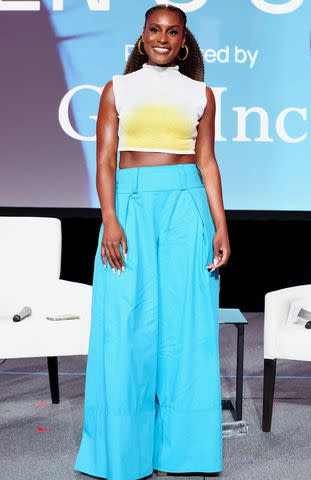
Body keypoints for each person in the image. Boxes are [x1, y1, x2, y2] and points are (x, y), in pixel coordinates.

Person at [74, 4, 231, 480]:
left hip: (187, 205)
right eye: (155, 29)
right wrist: (110, 218)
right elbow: (104, 160)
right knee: (126, 323)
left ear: (184, 40)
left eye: (173, 31)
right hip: (130, 206)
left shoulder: (202, 93)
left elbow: (206, 161)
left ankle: (186, 453)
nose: (163, 38)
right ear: (142, 37)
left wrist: (221, 225)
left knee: (187, 325)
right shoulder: (117, 88)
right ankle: (123, 454)